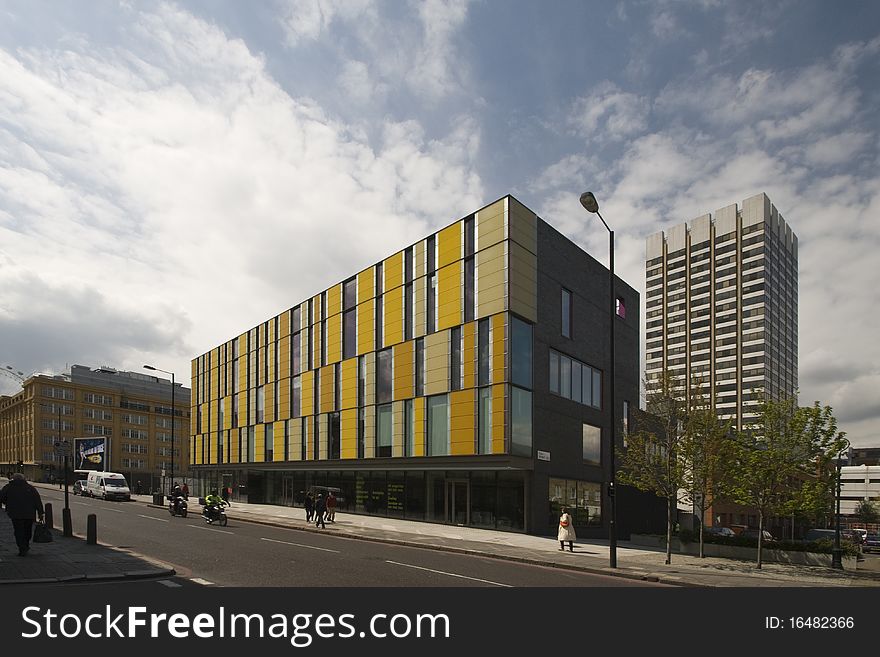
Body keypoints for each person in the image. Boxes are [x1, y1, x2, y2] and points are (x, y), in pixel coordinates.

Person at [0, 473, 45, 556]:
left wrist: (7, 503)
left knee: (18, 531)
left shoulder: (8, 487)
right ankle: (26, 544)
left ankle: (22, 547)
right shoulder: (30, 488)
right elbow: (37, 501)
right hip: (29, 514)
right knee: (27, 530)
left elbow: (1, 497)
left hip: (15, 513)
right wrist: (40, 512)